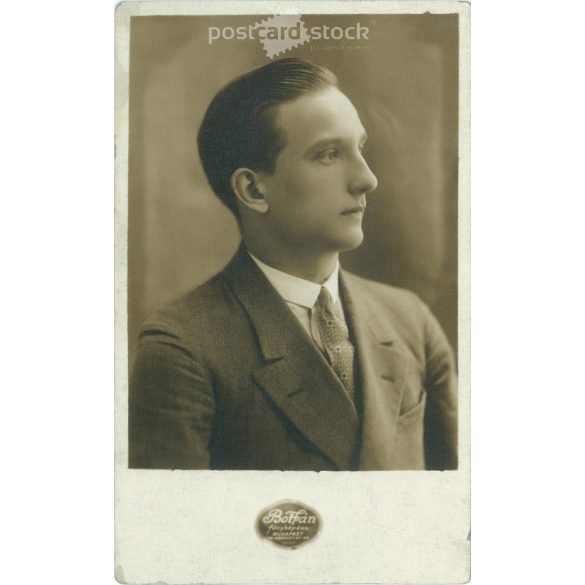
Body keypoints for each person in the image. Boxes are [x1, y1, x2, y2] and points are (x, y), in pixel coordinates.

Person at [129, 58, 457, 471]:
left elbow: (457, 511)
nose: (367, 178)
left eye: (360, 148)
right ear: (252, 189)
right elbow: (179, 528)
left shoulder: (411, 321)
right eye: (329, 154)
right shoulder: (182, 349)